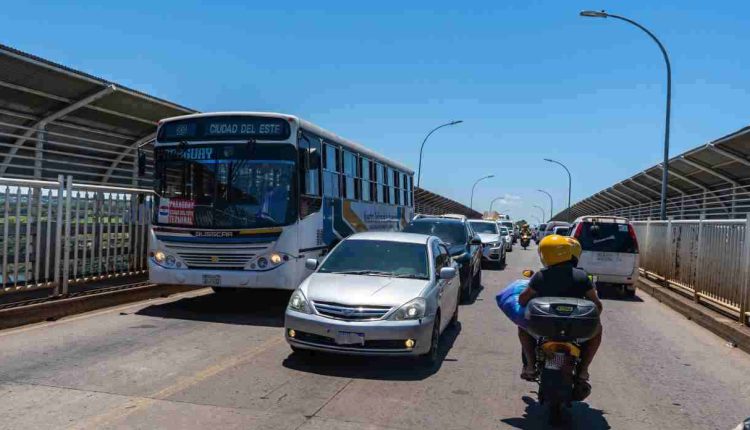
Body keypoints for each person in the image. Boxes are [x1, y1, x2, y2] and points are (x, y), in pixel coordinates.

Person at [517, 235, 603, 381]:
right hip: (574, 328)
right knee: (598, 330)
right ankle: (583, 370)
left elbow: (522, 300)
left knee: (522, 328)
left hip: (545, 327)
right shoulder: (582, 277)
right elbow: (597, 306)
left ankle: (530, 366)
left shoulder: (540, 276)